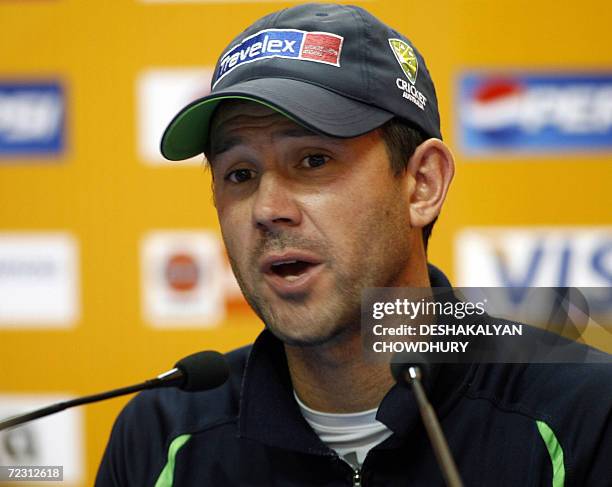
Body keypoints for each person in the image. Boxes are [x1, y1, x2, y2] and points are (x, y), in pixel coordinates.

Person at [96, 4, 612, 486]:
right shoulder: (161, 437)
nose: (266, 208)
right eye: (241, 173)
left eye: (314, 160)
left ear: (422, 184)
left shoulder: (582, 413)